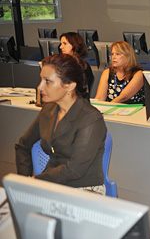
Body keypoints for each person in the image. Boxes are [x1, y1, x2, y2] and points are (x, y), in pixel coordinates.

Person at [15, 54, 107, 194]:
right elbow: (23, 146)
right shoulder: (49, 109)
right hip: (51, 184)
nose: (40, 87)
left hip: (84, 189)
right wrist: (24, 181)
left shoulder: (90, 118)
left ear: (69, 85)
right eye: (41, 80)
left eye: (47, 81)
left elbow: (74, 171)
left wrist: (35, 181)